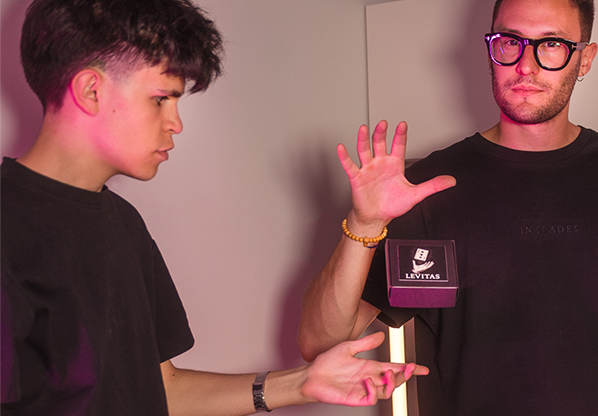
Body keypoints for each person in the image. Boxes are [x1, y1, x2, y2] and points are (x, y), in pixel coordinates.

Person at [0, 0, 429, 414]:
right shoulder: (10, 227)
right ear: (91, 90)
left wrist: (301, 384)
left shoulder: (123, 222)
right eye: (160, 99)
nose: (176, 123)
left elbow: (164, 390)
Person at [297, 0, 598, 414]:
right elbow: (319, 342)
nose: (526, 65)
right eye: (511, 41)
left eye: (552, 44)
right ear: (491, 49)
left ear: (585, 58)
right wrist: (364, 223)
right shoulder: (429, 189)